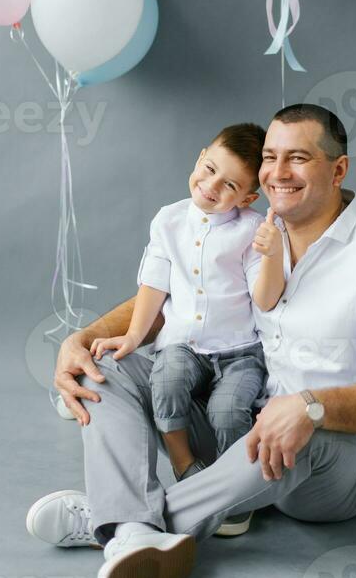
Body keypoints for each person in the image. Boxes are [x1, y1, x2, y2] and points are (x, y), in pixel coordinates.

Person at [27, 104, 356, 578]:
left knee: (299, 428)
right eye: (270, 157)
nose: (278, 173)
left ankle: (113, 521)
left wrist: (311, 406)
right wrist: (83, 338)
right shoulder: (251, 229)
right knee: (106, 367)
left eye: (299, 158)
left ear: (338, 168)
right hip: (236, 424)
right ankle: (134, 530)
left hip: (333, 465)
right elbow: (178, 296)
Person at [86, 122, 273, 528]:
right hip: (182, 344)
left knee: (228, 410)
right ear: (200, 155)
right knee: (166, 381)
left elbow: (263, 296)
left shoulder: (253, 230)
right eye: (208, 169)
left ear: (248, 197)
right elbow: (154, 283)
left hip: (238, 351)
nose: (210, 186)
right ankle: (187, 466)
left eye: (228, 185)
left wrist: (271, 256)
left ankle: (232, 491)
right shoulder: (168, 220)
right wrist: (134, 336)